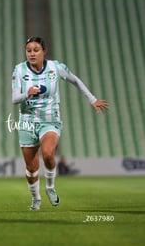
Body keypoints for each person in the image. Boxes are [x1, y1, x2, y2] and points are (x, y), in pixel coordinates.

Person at [11, 37, 108, 210]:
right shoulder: (19, 70)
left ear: (44, 51)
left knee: (48, 153)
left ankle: (50, 187)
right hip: (27, 122)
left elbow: (76, 80)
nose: (32, 53)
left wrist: (92, 99)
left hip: (50, 120)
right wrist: (27, 93)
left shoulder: (56, 67)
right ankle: (36, 199)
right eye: (29, 50)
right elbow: (14, 99)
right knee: (31, 168)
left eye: (36, 50)